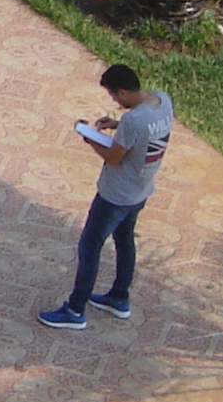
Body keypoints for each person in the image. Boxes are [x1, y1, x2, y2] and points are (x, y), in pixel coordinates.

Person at [39, 63, 173, 329]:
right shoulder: (163, 101)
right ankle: (119, 297)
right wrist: (117, 125)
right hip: (140, 191)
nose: (114, 100)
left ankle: (75, 311)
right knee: (125, 242)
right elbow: (143, 135)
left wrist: (90, 138)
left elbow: (113, 157)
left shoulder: (134, 120)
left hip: (115, 195)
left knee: (90, 247)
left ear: (122, 92)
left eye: (113, 96)